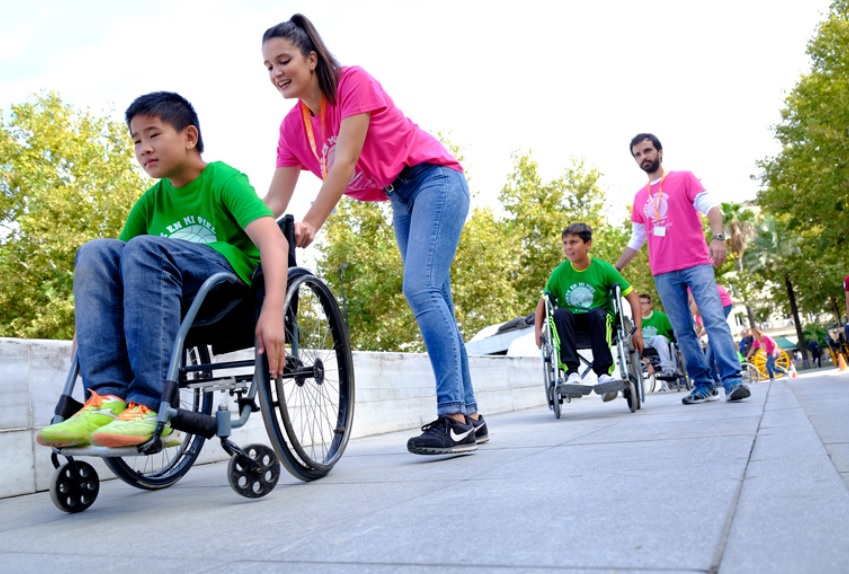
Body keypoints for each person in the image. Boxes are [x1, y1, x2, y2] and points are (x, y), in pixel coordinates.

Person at [260, 14, 483, 456]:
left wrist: (313, 222)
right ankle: (471, 418)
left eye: (283, 61)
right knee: (435, 294)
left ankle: (453, 416)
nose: (276, 73)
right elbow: (273, 202)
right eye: (267, 67)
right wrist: (234, 227)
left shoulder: (352, 83)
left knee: (420, 289)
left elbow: (344, 161)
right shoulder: (292, 128)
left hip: (435, 180)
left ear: (311, 57)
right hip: (401, 197)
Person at [37, 92, 287, 449]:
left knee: (142, 247)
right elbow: (112, 270)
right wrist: (88, 328)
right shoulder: (151, 200)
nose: (143, 148)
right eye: (136, 140)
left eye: (153, 135)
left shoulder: (222, 178)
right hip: (156, 294)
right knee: (96, 251)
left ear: (189, 137)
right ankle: (106, 399)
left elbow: (273, 242)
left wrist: (273, 309)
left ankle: (151, 404)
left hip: (221, 287)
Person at [614, 133, 749, 405]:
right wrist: (614, 269)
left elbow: (712, 208)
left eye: (648, 151)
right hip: (663, 271)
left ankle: (732, 381)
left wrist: (718, 238)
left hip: (696, 263)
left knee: (714, 320)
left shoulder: (684, 178)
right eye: (638, 154)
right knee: (683, 330)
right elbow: (637, 239)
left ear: (660, 152)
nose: (644, 157)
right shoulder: (640, 197)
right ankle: (703, 385)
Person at [533, 223, 644, 402]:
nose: (568, 247)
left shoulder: (603, 268)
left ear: (588, 244)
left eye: (573, 242)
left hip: (599, 320)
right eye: (565, 243)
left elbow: (632, 297)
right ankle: (572, 374)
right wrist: (538, 331)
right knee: (559, 313)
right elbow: (543, 303)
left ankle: (604, 374)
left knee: (596, 313)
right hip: (570, 324)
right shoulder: (559, 272)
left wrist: (637, 329)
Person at [638, 293, 677, 378]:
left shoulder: (661, 316)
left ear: (650, 304)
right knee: (634, 343)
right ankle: (646, 364)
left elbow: (671, 331)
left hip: (659, 340)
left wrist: (675, 345)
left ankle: (667, 370)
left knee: (659, 338)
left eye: (643, 303)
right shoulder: (635, 319)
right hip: (644, 342)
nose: (641, 306)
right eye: (639, 304)